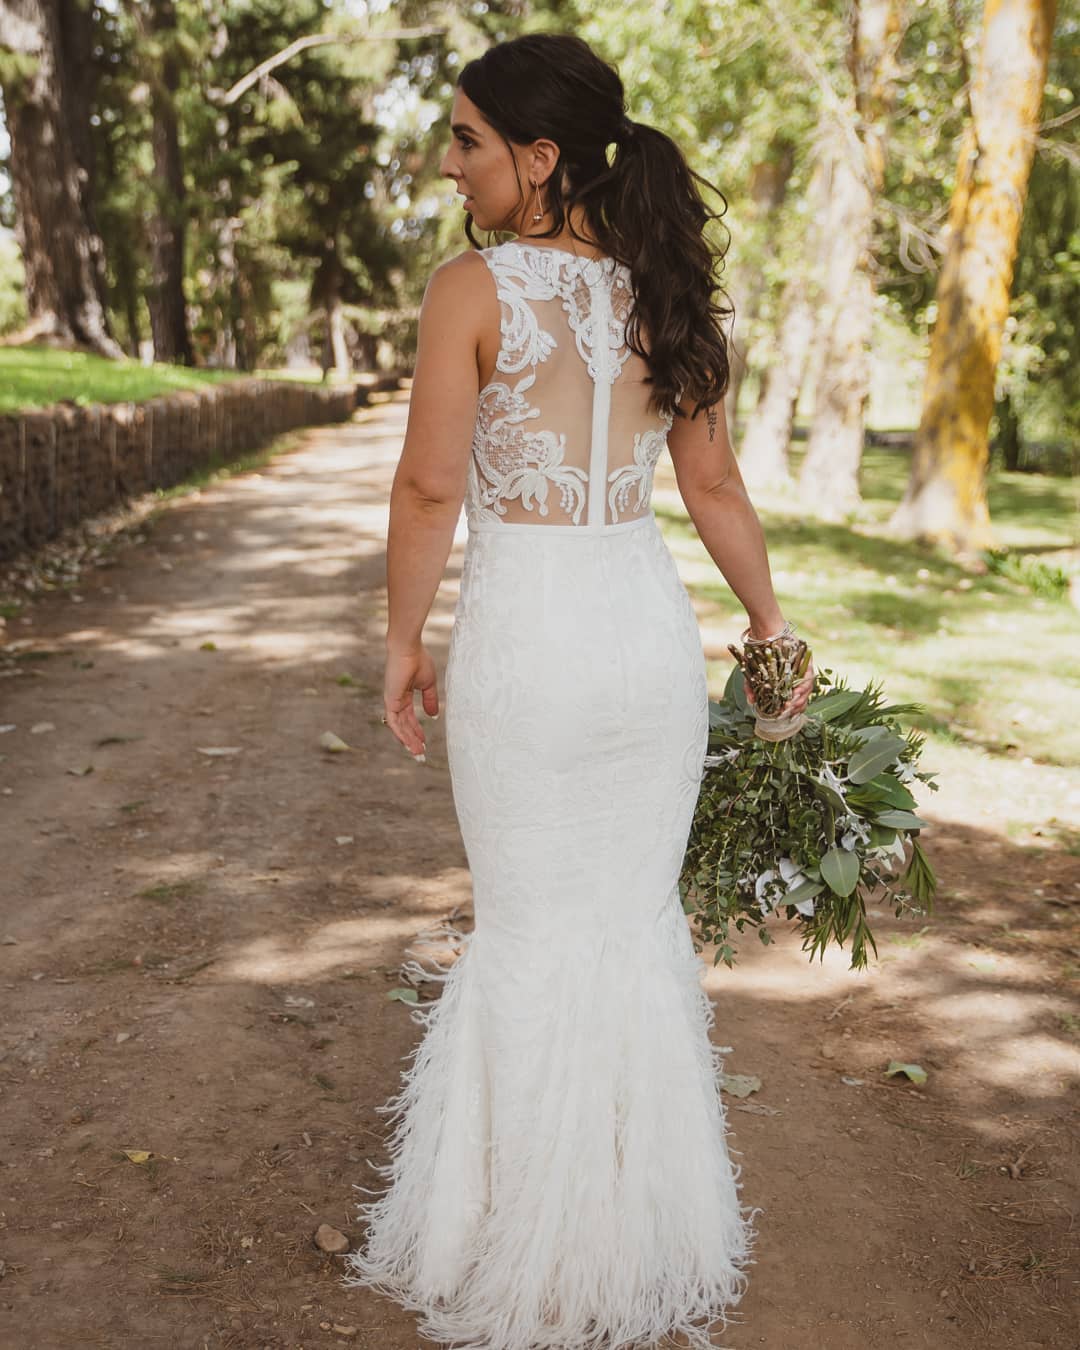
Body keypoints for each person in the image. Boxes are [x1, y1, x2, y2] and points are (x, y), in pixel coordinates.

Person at [343, 30, 814, 1350]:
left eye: (468, 140)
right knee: (625, 932)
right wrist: (769, 627)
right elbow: (714, 488)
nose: (451, 162)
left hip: (531, 648)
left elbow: (431, 486)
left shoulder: (472, 290)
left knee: (536, 935)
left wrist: (400, 640)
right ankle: (628, 1239)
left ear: (540, 158)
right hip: (644, 646)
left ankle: (531, 1262)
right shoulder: (663, 285)